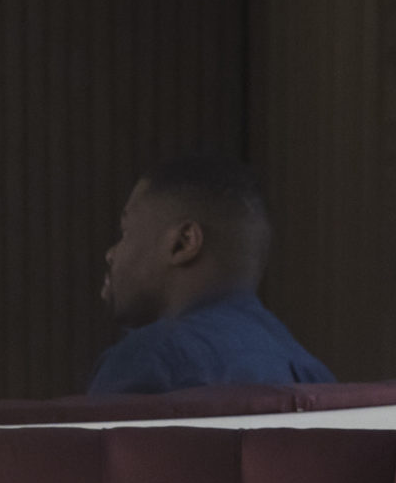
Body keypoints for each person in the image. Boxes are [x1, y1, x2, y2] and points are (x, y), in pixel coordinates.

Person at [87, 155, 333, 394]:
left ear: (183, 243)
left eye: (126, 232)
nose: (110, 254)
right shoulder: (311, 372)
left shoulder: (148, 360)